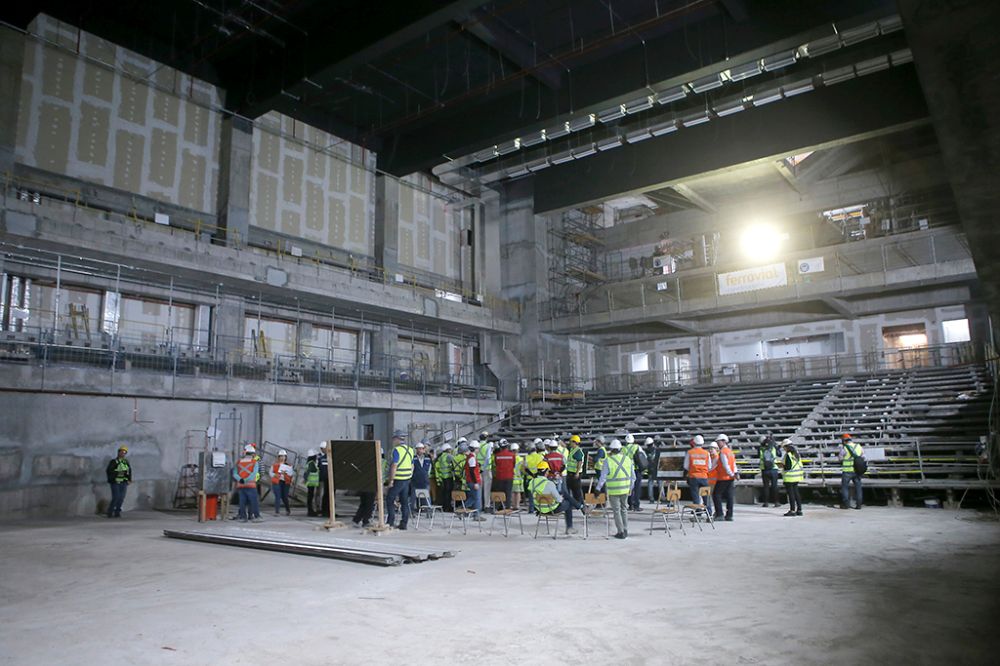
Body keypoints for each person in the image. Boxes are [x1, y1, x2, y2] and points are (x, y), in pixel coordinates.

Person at [527, 460, 587, 535]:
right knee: (568, 503)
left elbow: (536, 494)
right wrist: (561, 497)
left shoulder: (531, 482)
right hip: (551, 509)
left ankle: (580, 506)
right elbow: (559, 500)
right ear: (546, 472)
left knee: (564, 494)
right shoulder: (549, 484)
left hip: (539, 509)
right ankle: (570, 526)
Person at [595, 439, 635, 539]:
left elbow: (603, 477)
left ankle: (620, 532)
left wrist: (598, 488)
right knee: (624, 509)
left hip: (614, 490)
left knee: (617, 511)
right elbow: (633, 477)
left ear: (611, 450)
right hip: (625, 490)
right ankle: (625, 529)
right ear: (620, 449)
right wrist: (630, 488)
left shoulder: (608, 461)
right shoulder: (628, 459)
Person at [385, 431, 414, 530]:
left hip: (398, 479)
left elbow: (394, 465)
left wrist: (391, 481)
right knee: (404, 501)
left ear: (397, 439)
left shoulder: (396, 450)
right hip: (407, 479)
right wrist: (409, 475)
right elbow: (412, 465)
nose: (393, 441)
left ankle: (390, 522)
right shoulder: (410, 450)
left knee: (389, 499)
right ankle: (404, 524)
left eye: (394, 439)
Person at [233, 443, 263, 522]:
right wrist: (246, 480)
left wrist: (241, 479)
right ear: (253, 454)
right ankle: (256, 516)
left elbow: (234, 473)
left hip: (241, 485)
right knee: (254, 501)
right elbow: (254, 474)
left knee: (242, 502)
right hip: (251, 485)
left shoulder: (239, 462)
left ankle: (243, 517)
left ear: (245, 453)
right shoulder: (254, 462)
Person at [683, 435, 712, 516]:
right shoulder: (706, 453)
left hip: (693, 477)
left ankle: (698, 513)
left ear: (694, 442)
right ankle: (709, 513)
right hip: (704, 477)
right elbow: (709, 466)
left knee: (696, 497)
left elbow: (686, 466)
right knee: (706, 496)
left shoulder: (690, 452)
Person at [712, 434, 737, 521]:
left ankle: (719, 514)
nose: (717, 444)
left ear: (723, 441)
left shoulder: (723, 452)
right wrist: (735, 473)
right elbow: (733, 464)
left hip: (723, 477)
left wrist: (731, 473)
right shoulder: (730, 451)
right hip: (730, 478)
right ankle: (729, 515)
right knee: (729, 496)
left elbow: (726, 465)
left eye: (718, 442)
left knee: (716, 495)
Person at [105, 445, 132, 518]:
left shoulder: (126, 462)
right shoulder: (114, 462)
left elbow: (129, 471)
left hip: (124, 482)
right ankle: (110, 512)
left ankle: (117, 512)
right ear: (118, 452)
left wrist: (129, 479)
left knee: (121, 498)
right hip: (115, 482)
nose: (123, 454)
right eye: (122, 452)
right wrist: (116, 475)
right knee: (116, 497)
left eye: (124, 452)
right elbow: (109, 471)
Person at [839, 433, 864, 510]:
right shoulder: (859, 446)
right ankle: (859, 505)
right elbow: (863, 457)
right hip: (857, 470)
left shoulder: (844, 448)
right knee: (858, 488)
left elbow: (840, 458)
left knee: (845, 488)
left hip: (847, 471)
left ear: (844, 441)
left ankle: (846, 504)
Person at [781, 440, 804, 516]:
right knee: (796, 493)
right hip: (796, 477)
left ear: (786, 447)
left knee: (791, 494)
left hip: (790, 477)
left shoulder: (788, 455)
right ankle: (799, 509)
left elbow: (788, 467)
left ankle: (792, 510)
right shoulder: (796, 453)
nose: (784, 449)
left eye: (784, 447)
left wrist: (782, 466)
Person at [492, 439, 517, 508]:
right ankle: (508, 507)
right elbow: (513, 464)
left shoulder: (497, 455)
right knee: (508, 493)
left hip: (499, 476)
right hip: (509, 476)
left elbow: (496, 464)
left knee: (500, 492)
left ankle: (499, 507)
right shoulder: (512, 455)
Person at [758, 435, 781, 507]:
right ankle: (776, 502)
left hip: (764, 469)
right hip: (773, 468)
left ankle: (766, 502)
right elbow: (779, 454)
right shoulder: (773, 447)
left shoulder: (760, 448)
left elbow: (759, 455)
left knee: (766, 487)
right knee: (774, 486)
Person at [464, 440, 484, 517]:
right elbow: (472, 471)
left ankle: (463, 509)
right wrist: (475, 482)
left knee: (473, 497)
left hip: (470, 480)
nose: (478, 450)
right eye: (478, 448)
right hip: (473, 481)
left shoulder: (470, 457)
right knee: (477, 498)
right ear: (475, 449)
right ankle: (477, 515)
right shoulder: (472, 458)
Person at [270, 450, 293, 516]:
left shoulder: (289, 466)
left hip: (286, 482)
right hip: (277, 481)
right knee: (278, 496)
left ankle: (288, 510)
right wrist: (275, 475)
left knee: (284, 496)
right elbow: (270, 473)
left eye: (284, 456)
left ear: (286, 457)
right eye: (281, 456)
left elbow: (291, 474)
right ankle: (277, 512)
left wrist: (287, 473)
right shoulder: (274, 465)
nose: (282, 458)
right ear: (278, 457)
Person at [411, 441, 432, 511]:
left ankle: (428, 510)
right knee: (413, 497)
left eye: (421, 449)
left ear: (424, 449)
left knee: (426, 496)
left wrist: (426, 476)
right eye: (418, 449)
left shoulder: (427, 459)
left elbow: (429, 469)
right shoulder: (413, 459)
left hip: (425, 481)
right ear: (416, 450)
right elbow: (411, 469)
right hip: (415, 481)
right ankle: (412, 510)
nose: (420, 450)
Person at [565, 435, 585, 504]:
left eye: (571, 442)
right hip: (570, 473)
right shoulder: (572, 449)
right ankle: (576, 504)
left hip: (575, 474)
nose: (569, 443)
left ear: (574, 442)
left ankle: (581, 504)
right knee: (573, 490)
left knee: (577, 491)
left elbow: (579, 462)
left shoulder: (578, 451)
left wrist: (577, 473)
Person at [434, 443, 454, 512]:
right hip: (448, 477)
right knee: (448, 493)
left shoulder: (440, 457)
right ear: (447, 450)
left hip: (443, 477)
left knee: (444, 493)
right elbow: (455, 462)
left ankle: (444, 507)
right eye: (450, 449)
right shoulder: (448, 456)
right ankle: (448, 507)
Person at [478, 431, 494, 509]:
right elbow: (487, 458)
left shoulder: (477, 445)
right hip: (486, 469)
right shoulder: (488, 446)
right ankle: (487, 506)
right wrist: (484, 468)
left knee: (479, 488)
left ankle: (479, 505)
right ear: (486, 438)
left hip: (478, 469)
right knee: (487, 489)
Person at [644, 438, 661, 503]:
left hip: (650, 469)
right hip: (658, 469)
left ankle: (651, 499)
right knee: (660, 483)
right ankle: (662, 498)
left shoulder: (646, 451)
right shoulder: (657, 450)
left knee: (650, 484)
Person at [304, 448, 320, 517]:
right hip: (311, 483)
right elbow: (314, 470)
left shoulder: (309, 463)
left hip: (310, 483)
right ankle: (310, 511)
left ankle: (310, 510)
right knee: (310, 497)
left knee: (310, 497)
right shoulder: (311, 463)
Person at [317, 441, 330, 517]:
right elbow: (319, 468)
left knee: (328, 495)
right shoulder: (321, 458)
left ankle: (328, 510)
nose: (323, 450)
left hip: (329, 479)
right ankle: (324, 510)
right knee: (324, 495)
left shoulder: (329, 457)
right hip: (323, 479)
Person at [511, 443, 525, 508]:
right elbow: (523, 470)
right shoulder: (521, 459)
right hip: (519, 479)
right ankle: (517, 505)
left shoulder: (510, 458)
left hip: (512, 478)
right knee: (518, 493)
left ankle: (513, 505)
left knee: (513, 493)